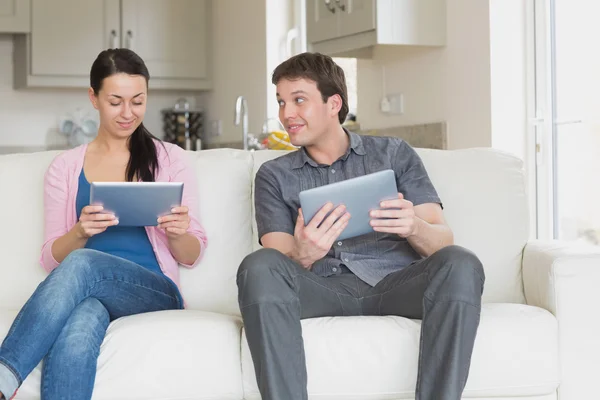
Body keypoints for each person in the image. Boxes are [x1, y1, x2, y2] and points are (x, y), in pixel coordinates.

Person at [237, 52, 485, 400]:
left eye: (298, 101)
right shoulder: (274, 176)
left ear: (333, 103)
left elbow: (442, 241)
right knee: (257, 265)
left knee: (461, 262)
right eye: (281, 102)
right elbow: (275, 265)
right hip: (321, 289)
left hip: (396, 284)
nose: (285, 114)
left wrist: (413, 226)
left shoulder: (393, 154)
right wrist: (303, 254)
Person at [0, 48, 207, 400]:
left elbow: (192, 255)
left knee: (83, 264)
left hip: (153, 290)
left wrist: (178, 232)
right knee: (78, 327)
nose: (128, 113)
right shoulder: (65, 168)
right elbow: (51, 259)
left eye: (137, 101)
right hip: (89, 292)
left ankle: (4, 377)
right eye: (116, 101)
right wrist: (79, 232)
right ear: (93, 98)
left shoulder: (170, 159)